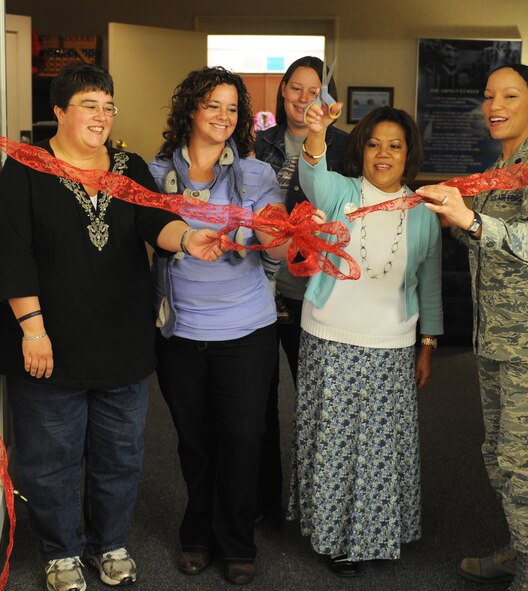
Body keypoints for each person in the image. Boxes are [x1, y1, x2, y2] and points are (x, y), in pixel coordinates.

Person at [0, 63, 224, 591]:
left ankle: (110, 543)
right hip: (50, 345)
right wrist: (33, 330)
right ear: (59, 111)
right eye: (89, 106)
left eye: (108, 106)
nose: (102, 116)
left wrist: (188, 239)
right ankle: (61, 552)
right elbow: (14, 254)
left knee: (120, 455)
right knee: (51, 459)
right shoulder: (25, 169)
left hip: (123, 342)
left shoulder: (128, 165)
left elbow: (153, 218)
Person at [417, 64, 528, 591]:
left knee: (526, 462)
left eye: (510, 96)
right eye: (489, 96)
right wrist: (454, 218)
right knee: (500, 457)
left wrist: (470, 219)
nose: (494, 106)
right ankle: (521, 547)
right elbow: (487, 245)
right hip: (496, 340)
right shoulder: (497, 169)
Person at [148, 66, 294, 586]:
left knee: (242, 439)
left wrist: (283, 232)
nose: (224, 116)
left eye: (232, 108)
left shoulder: (255, 175)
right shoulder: (154, 174)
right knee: (195, 441)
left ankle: (236, 542)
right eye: (213, 105)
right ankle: (198, 534)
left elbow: (278, 249)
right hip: (180, 332)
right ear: (191, 109)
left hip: (246, 331)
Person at [289, 103, 443, 577]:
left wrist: (428, 344)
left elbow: (429, 283)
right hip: (329, 335)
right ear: (361, 150)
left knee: (381, 444)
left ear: (408, 154)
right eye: (374, 144)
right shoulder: (343, 192)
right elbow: (313, 178)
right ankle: (334, 538)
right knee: (333, 441)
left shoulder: (423, 212)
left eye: (395, 145)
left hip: (392, 343)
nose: (383, 154)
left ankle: (375, 534)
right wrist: (317, 133)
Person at [253, 56, 350, 521]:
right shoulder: (258, 143)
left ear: (328, 99)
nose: (304, 99)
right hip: (258, 292)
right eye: (296, 88)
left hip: (311, 293)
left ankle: (318, 507)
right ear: (283, 90)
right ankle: (265, 503)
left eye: (314, 91)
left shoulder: (345, 146)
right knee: (258, 404)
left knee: (317, 405)